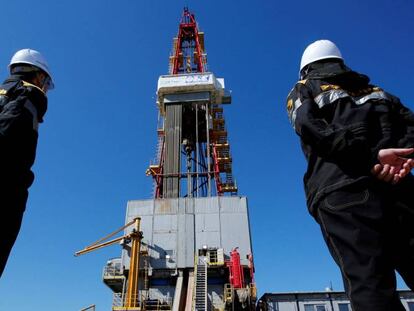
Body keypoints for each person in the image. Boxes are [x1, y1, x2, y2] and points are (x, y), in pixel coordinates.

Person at [286, 39, 414, 311]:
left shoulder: (304, 88)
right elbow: (410, 127)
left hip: (344, 194)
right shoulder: (380, 92)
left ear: (305, 69)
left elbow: (310, 127)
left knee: (371, 288)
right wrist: (403, 160)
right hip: (399, 189)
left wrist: (369, 158)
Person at [0, 49, 54, 277]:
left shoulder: (5, 94)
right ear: (38, 76)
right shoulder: (24, 99)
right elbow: (6, 135)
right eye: (46, 82)